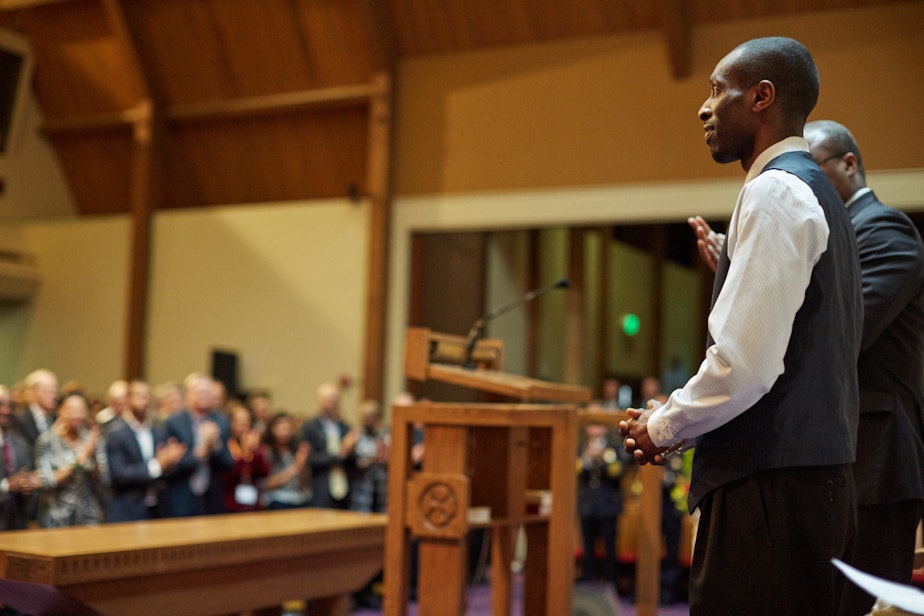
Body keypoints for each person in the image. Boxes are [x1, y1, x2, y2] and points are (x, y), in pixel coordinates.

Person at [620, 37, 863, 615]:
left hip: (771, 488)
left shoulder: (776, 190)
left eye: (716, 91)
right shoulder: (817, 192)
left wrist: (665, 424)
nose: (704, 108)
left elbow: (745, 364)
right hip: (806, 481)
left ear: (762, 97)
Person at [105, 380, 187, 522]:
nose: (144, 400)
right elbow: (119, 474)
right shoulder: (116, 433)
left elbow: (166, 468)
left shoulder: (158, 431)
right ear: (128, 399)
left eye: (147, 396)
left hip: (156, 508)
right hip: (128, 509)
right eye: (139, 395)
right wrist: (157, 466)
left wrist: (171, 462)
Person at [162, 374, 234, 517]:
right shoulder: (174, 423)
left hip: (211, 498)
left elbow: (228, 463)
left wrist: (215, 446)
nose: (204, 396)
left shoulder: (221, 422)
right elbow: (171, 466)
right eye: (199, 391)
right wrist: (202, 450)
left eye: (208, 392)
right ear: (188, 394)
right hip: (181, 495)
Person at [34, 392, 107, 527]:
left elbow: (104, 479)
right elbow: (47, 480)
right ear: (60, 410)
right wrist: (81, 459)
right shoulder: (47, 441)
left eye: (80, 410)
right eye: (71, 410)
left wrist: (95, 456)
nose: (76, 415)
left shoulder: (92, 439)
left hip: (87, 515)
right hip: (57, 515)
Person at [576, 420, 626, 588]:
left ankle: (610, 582)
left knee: (610, 547)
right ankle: (589, 581)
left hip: (608, 506)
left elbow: (618, 471)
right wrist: (588, 458)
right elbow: (574, 469)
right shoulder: (581, 447)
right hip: (587, 505)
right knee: (587, 546)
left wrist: (604, 458)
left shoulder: (614, 447)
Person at [302, 382, 356, 510]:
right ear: (320, 401)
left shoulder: (345, 427)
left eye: (336, 400)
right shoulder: (310, 427)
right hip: (321, 487)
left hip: (344, 489)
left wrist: (351, 451)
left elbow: (353, 460)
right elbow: (311, 459)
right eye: (329, 400)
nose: (333, 404)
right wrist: (340, 453)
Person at [0, 385, 38, 530]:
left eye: (11, 405)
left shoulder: (21, 443)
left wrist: (28, 485)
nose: (6, 411)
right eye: (1, 405)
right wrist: (6, 486)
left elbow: (28, 475)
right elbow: (8, 484)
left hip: (16, 524)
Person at [223, 403, 270, 513]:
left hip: (253, 501)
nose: (243, 426)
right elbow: (228, 476)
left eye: (246, 421)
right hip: (231, 502)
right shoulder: (227, 445)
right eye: (239, 422)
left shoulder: (256, 445)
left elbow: (264, 472)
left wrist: (255, 452)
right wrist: (245, 452)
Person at [262, 412, 312, 510]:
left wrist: (304, 463)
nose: (285, 429)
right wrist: (295, 468)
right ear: (272, 429)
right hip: (277, 501)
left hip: (300, 499)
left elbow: (304, 483)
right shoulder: (265, 451)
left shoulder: (296, 450)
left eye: (287, 425)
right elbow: (266, 484)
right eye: (280, 425)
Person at [349, 399, 389, 514]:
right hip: (362, 488)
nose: (369, 420)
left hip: (380, 487)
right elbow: (352, 460)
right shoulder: (356, 435)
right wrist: (373, 458)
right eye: (366, 416)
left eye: (372, 415)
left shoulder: (384, 435)